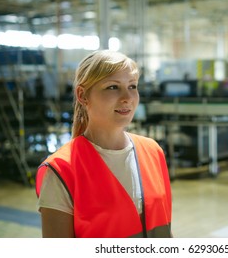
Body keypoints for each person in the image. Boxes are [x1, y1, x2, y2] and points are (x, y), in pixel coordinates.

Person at [35, 50, 172, 238]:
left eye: (132, 86)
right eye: (113, 87)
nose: (127, 97)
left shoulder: (152, 151)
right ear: (82, 95)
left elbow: (164, 229)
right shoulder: (61, 170)